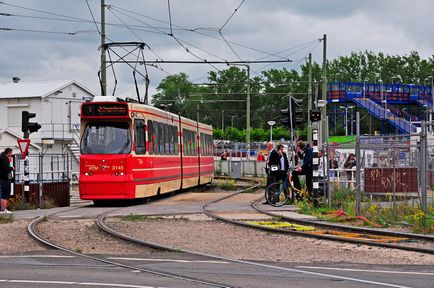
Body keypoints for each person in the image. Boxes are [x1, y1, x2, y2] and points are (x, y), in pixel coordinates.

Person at [0, 148, 14, 214]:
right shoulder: (5, 159)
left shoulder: (1, 157)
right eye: (11, 153)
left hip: (2, 178)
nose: (11, 154)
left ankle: (2, 209)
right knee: (5, 194)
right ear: (8, 153)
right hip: (5, 179)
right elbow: (6, 168)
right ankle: (4, 210)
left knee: (3, 193)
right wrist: (12, 168)